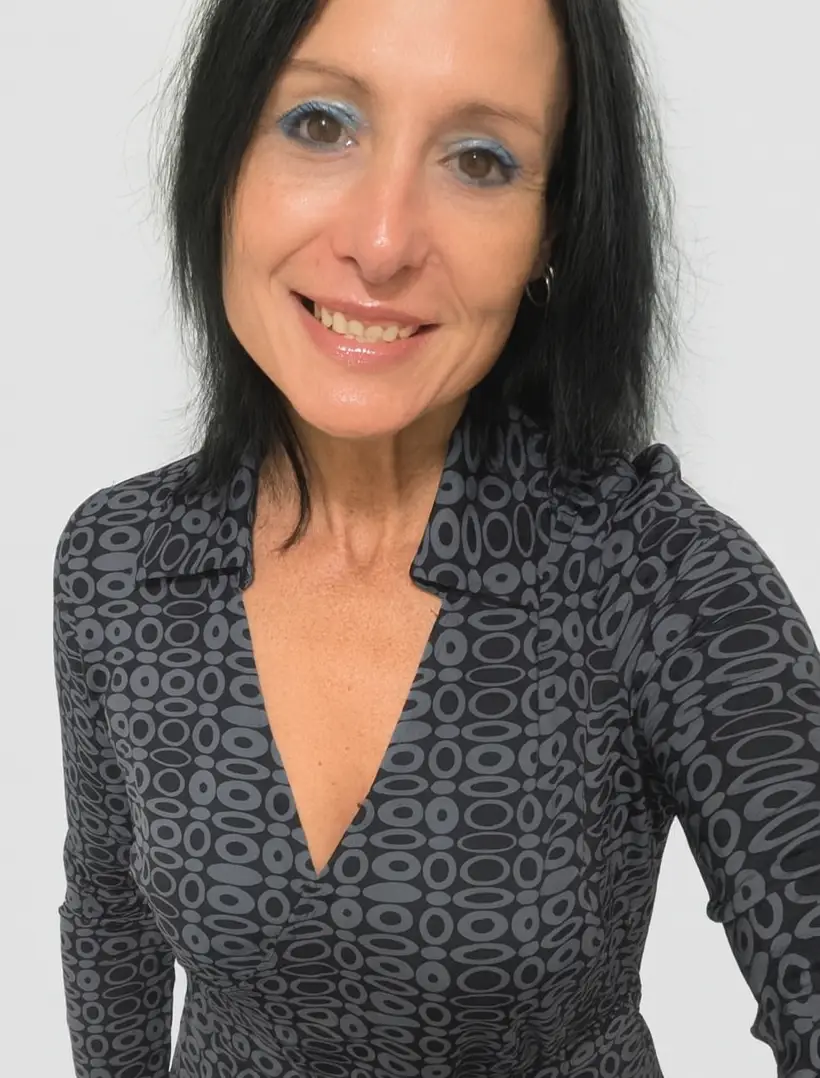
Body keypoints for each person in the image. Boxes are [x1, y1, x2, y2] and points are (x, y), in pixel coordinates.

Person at [51, 0, 820, 1075]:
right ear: (223, 158)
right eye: (321, 124)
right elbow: (109, 921)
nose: (381, 243)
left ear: (549, 233)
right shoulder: (121, 559)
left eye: (480, 160)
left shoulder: (662, 579)